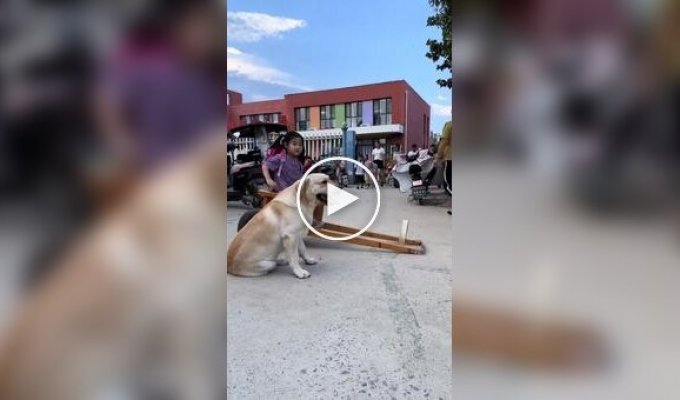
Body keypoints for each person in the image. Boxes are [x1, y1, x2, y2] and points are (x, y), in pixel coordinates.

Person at [437, 120, 452, 214]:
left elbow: (444, 142)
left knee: (449, 185)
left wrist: (439, 156)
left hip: (451, 159)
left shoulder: (449, 125)